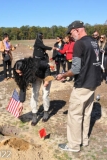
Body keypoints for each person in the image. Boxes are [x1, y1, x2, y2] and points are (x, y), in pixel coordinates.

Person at [56, 20, 101, 152]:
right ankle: (84, 140)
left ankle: (74, 145)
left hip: (82, 84)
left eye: (71, 33)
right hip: (93, 83)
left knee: (75, 115)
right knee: (86, 114)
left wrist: (63, 75)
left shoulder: (79, 44)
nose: (71, 36)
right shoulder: (94, 41)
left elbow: (75, 69)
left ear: (77, 30)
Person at [13, 57, 51, 126]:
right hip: (36, 77)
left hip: (45, 74)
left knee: (45, 95)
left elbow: (47, 66)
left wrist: (47, 79)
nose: (20, 75)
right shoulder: (23, 74)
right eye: (18, 73)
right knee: (34, 94)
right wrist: (21, 102)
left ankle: (46, 111)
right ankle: (34, 115)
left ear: (25, 69)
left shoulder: (36, 63)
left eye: (21, 72)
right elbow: (22, 87)